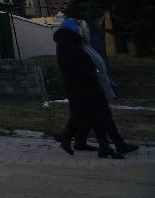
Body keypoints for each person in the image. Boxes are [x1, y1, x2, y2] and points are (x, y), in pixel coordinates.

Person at [54, 18, 126, 158]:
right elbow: (73, 66)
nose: (85, 31)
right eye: (83, 28)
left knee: (95, 115)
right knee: (91, 114)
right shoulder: (67, 44)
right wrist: (91, 72)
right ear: (74, 29)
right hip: (83, 86)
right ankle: (67, 137)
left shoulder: (73, 43)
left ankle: (102, 146)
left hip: (87, 85)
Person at [70, 20, 138, 155]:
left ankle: (86, 142)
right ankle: (117, 145)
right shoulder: (81, 47)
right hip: (93, 89)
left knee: (93, 117)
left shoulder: (86, 45)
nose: (88, 31)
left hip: (98, 86)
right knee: (104, 117)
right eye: (85, 28)